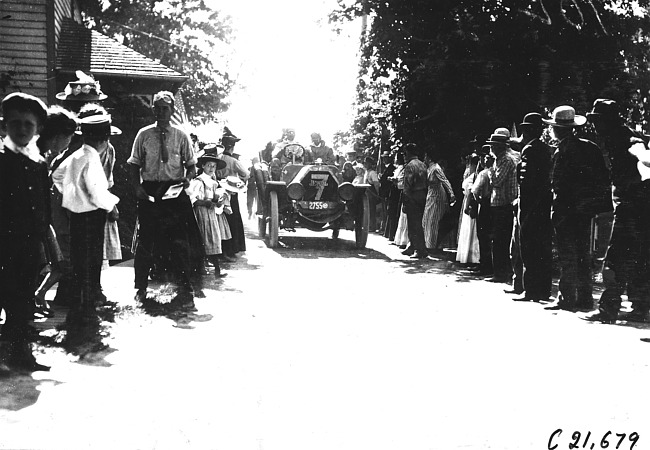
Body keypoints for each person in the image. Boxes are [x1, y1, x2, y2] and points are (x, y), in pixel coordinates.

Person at [128, 91, 198, 304]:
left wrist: (187, 178)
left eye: (165, 109)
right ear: (153, 110)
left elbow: (192, 166)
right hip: (150, 191)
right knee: (145, 241)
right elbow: (134, 164)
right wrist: (136, 187)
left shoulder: (181, 135)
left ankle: (185, 286)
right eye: (157, 108)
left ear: (172, 110)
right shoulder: (143, 135)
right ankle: (140, 287)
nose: (160, 112)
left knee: (180, 241)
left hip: (174, 192)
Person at [583, 99, 650, 322]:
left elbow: (640, 150)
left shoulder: (625, 136)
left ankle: (608, 309)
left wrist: (642, 156)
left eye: (598, 121)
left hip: (632, 206)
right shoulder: (612, 137)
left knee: (616, 257)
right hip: (633, 206)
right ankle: (640, 308)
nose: (595, 126)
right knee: (638, 257)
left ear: (607, 121)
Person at [55, 105, 121, 328]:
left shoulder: (75, 156)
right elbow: (97, 192)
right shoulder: (92, 159)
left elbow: (57, 175)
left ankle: (79, 308)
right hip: (92, 216)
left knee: (78, 260)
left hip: (75, 215)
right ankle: (86, 310)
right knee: (90, 262)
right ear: (103, 139)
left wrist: (73, 195)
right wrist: (111, 205)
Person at [0, 92, 51, 372]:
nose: (21, 129)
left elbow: (43, 207)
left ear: (37, 129)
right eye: (15, 123)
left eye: (28, 125)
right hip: (1, 244)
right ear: (3, 125)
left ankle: (21, 355)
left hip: (28, 246)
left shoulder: (37, 163)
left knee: (22, 302)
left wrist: (42, 240)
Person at [543, 105, 611, 311]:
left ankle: (567, 298)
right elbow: (603, 178)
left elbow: (557, 183)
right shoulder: (590, 147)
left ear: (558, 129)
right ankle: (585, 298)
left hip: (566, 209)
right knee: (583, 253)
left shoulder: (562, 150)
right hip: (585, 210)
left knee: (568, 254)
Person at [33, 106, 78, 315]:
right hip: (34, 220)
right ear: (58, 136)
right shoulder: (36, 156)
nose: (68, 144)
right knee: (43, 262)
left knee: (55, 261)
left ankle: (34, 300)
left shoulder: (48, 156)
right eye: (68, 138)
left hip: (42, 218)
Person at [512, 112, 553, 302]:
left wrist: (522, 205)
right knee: (542, 248)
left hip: (530, 205)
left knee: (528, 247)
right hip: (543, 204)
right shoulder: (546, 149)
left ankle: (531, 290)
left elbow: (526, 182)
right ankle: (543, 290)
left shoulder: (529, 150)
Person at [189, 151, 228, 278]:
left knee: (214, 238)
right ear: (203, 166)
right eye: (209, 166)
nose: (211, 168)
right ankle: (201, 267)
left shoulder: (214, 183)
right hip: (201, 214)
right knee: (203, 238)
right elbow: (193, 200)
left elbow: (215, 201)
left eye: (214, 166)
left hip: (211, 214)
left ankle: (217, 269)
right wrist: (205, 202)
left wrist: (218, 202)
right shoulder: (198, 182)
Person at [486, 131, 518, 282]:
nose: (491, 149)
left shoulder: (505, 160)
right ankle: (500, 272)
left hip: (504, 205)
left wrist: (490, 169)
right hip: (498, 204)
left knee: (501, 240)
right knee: (498, 240)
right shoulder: (499, 160)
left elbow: (497, 181)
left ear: (499, 147)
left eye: (493, 146)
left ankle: (502, 274)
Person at [216, 127, 249, 257]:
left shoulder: (217, 158)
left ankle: (220, 249)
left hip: (218, 192)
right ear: (232, 148)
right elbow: (246, 174)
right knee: (233, 220)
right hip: (231, 192)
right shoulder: (234, 161)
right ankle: (233, 249)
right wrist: (239, 181)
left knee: (220, 220)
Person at [423, 150, 456, 251]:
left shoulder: (436, 168)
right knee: (427, 219)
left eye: (425, 157)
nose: (424, 159)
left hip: (437, 196)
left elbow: (444, 180)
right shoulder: (429, 168)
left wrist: (451, 194)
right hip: (430, 195)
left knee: (433, 220)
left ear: (429, 158)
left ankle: (432, 245)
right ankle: (428, 243)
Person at [401, 143, 429, 258]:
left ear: (408, 153)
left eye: (405, 153)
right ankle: (412, 246)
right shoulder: (423, 164)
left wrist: (405, 200)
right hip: (422, 194)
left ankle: (419, 249)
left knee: (414, 223)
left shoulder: (409, 166)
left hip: (413, 195)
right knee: (417, 222)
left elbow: (407, 184)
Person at [471, 149, 494, 275]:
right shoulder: (494, 172)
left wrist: (478, 201)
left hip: (485, 204)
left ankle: (484, 265)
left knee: (483, 235)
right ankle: (488, 265)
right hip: (494, 204)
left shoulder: (484, 173)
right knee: (491, 235)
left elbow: (475, 190)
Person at [456, 153, 480, 265]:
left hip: (469, 201)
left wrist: (466, 206)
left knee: (471, 228)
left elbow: (470, 191)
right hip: (466, 199)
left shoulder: (474, 176)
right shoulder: (472, 175)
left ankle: (472, 257)